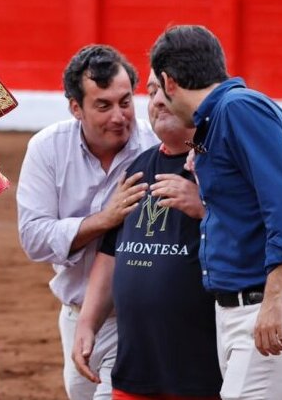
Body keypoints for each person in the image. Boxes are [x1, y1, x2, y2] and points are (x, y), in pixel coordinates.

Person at [149, 25, 282, 400]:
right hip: (240, 307)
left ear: (169, 81)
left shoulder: (239, 110)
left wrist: (273, 299)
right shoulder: (222, 119)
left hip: (268, 304)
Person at [16, 44, 158, 400]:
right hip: (78, 317)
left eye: (125, 102)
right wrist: (102, 221)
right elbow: (33, 238)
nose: (118, 116)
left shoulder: (156, 144)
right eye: (103, 105)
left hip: (142, 320)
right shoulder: (47, 149)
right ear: (75, 108)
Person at [71, 70, 222, 400]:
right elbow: (113, 251)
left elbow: (254, 230)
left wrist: (205, 205)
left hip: (203, 373)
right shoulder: (139, 166)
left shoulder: (219, 162)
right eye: (151, 91)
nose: (157, 100)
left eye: (168, 90)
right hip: (135, 371)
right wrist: (87, 322)